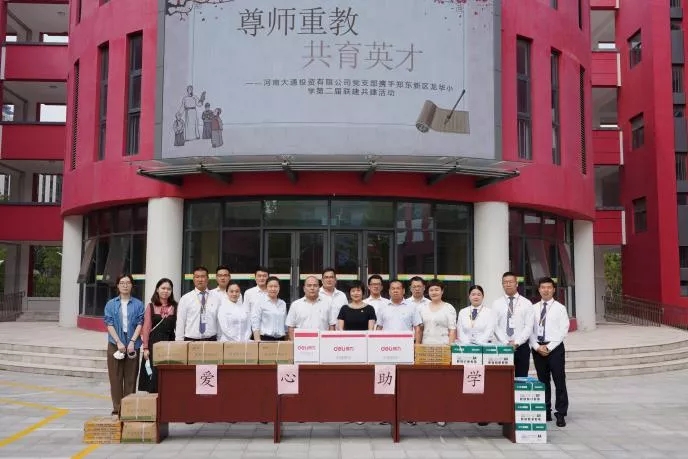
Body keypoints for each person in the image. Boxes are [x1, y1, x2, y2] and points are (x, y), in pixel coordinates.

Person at [529, 277, 570, 427]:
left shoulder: (560, 308)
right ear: (539, 290)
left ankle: (560, 412)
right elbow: (529, 329)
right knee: (542, 381)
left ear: (553, 290)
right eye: (543, 287)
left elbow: (563, 330)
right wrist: (536, 346)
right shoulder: (533, 308)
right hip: (538, 349)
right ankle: (545, 410)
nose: (545, 290)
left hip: (555, 348)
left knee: (559, 380)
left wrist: (549, 347)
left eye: (549, 287)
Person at [104, 274, 144, 416]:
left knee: (131, 378)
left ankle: (129, 408)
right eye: (122, 283)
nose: (125, 285)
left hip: (133, 345)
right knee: (115, 378)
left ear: (132, 285)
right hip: (115, 345)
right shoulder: (111, 304)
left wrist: (132, 341)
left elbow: (140, 323)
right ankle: (117, 409)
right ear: (118, 285)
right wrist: (118, 342)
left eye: (128, 282)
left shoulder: (138, 304)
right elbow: (109, 323)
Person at [492, 271, 535, 377]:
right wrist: (506, 343)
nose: (508, 284)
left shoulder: (526, 303)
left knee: (521, 379)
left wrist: (516, 343)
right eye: (505, 282)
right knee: (502, 379)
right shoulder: (496, 303)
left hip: (521, 347)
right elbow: (495, 326)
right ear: (502, 285)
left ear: (516, 283)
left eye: (511, 282)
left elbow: (529, 326)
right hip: (502, 346)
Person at [138, 278, 177, 393]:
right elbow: (146, 328)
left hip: (170, 343)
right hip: (153, 344)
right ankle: (153, 399)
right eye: (163, 288)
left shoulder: (175, 306)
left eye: (168, 289)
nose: (166, 291)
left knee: (167, 374)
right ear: (157, 289)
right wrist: (145, 348)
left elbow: (178, 327)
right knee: (153, 375)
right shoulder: (151, 306)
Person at [175, 266, 221, 341]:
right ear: (193, 279)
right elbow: (181, 321)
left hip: (211, 340)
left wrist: (219, 339)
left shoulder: (216, 298)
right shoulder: (185, 298)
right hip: (191, 340)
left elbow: (219, 321)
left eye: (203, 276)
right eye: (197, 277)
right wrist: (179, 341)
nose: (200, 279)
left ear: (207, 279)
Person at [419, 279, 457, 345]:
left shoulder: (449, 308)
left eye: (436, 290)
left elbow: (452, 330)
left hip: (444, 346)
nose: (434, 292)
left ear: (442, 291)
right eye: (431, 290)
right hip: (425, 346)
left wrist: (450, 347)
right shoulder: (422, 308)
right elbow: (420, 329)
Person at [251, 276, 287, 341]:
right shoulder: (260, 302)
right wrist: (257, 340)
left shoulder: (283, 303)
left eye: (275, 286)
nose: (273, 289)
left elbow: (285, 324)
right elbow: (255, 323)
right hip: (265, 339)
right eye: (270, 286)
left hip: (281, 339)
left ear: (279, 288)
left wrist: (287, 340)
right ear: (266, 288)